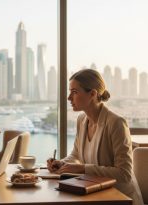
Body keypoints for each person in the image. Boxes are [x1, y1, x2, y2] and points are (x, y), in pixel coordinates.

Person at [47, 69, 143, 205]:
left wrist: (83, 168)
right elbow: (76, 155)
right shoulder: (81, 120)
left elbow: (124, 174)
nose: (69, 98)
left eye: (74, 92)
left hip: (120, 198)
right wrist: (62, 164)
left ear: (92, 94)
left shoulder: (116, 123)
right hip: (94, 194)